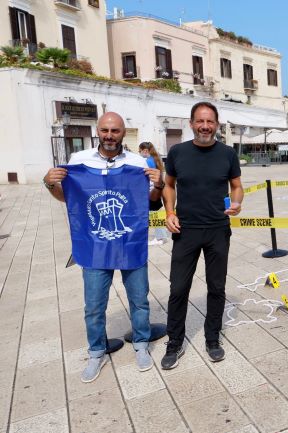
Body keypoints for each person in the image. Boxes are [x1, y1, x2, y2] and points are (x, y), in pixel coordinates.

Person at [43, 112, 162, 382]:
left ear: (123, 133)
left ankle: (141, 344)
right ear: (98, 130)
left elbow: (151, 201)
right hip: (95, 246)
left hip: (129, 244)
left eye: (116, 131)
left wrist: (157, 183)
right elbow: (68, 198)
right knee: (94, 305)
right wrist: (50, 182)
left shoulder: (137, 162)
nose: (110, 135)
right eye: (105, 130)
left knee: (139, 300)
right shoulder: (79, 161)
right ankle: (96, 351)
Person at [161, 101, 243, 369]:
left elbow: (236, 185)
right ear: (191, 123)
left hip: (218, 229)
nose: (205, 126)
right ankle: (174, 342)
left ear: (216, 125)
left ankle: (212, 339)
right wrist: (169, 212)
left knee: (216, 287)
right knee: (178, 288)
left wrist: (237, 202)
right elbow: (168, 185)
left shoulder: (228, 154)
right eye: (200, 121)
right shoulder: (177, 152)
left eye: (210, 122)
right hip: (185, 230)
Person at [139, 142, 169, 245]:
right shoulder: (155, 159)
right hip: (156, 189)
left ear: (145, 151)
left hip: (151, 191)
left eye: (140, 151)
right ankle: (161, 236)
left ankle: (160, 238)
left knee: (154, 214)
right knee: (155, 213)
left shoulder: (147, 161)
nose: (139, 153)